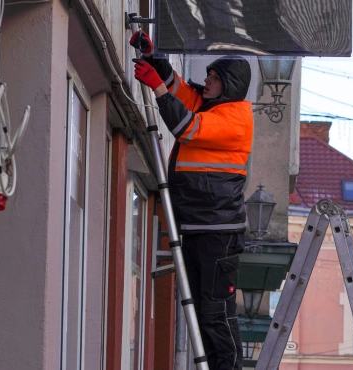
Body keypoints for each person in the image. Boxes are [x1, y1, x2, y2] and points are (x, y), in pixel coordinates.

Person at [130, 30, 252, 370]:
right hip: (202, 225)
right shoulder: (213, 105)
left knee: (215, 312)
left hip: (217, 232)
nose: (206, 82)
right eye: (209, 76)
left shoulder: (235, 119)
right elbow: (181, 90)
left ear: (227, 86)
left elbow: (185, 126)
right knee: (202, 311)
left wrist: (156, 87)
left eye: (213, 79)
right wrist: (157, 61)